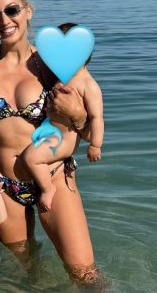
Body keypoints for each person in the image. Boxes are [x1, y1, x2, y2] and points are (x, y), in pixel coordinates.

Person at [0, 0, 104, 287]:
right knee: (23, 270)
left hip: (54, 177)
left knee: (85, 275)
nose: (4, 21)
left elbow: (90, 132)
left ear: (28, 11)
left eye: (12, 10)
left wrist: (77, 115)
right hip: (3, 186)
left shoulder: (53, 63)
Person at [20, 22, 104, 212]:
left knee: (31, 158)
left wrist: (95, 145)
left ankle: (47, 188)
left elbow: (97, 117)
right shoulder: (64, 77)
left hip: (64, 140)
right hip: (52, 132)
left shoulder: (88, 84)